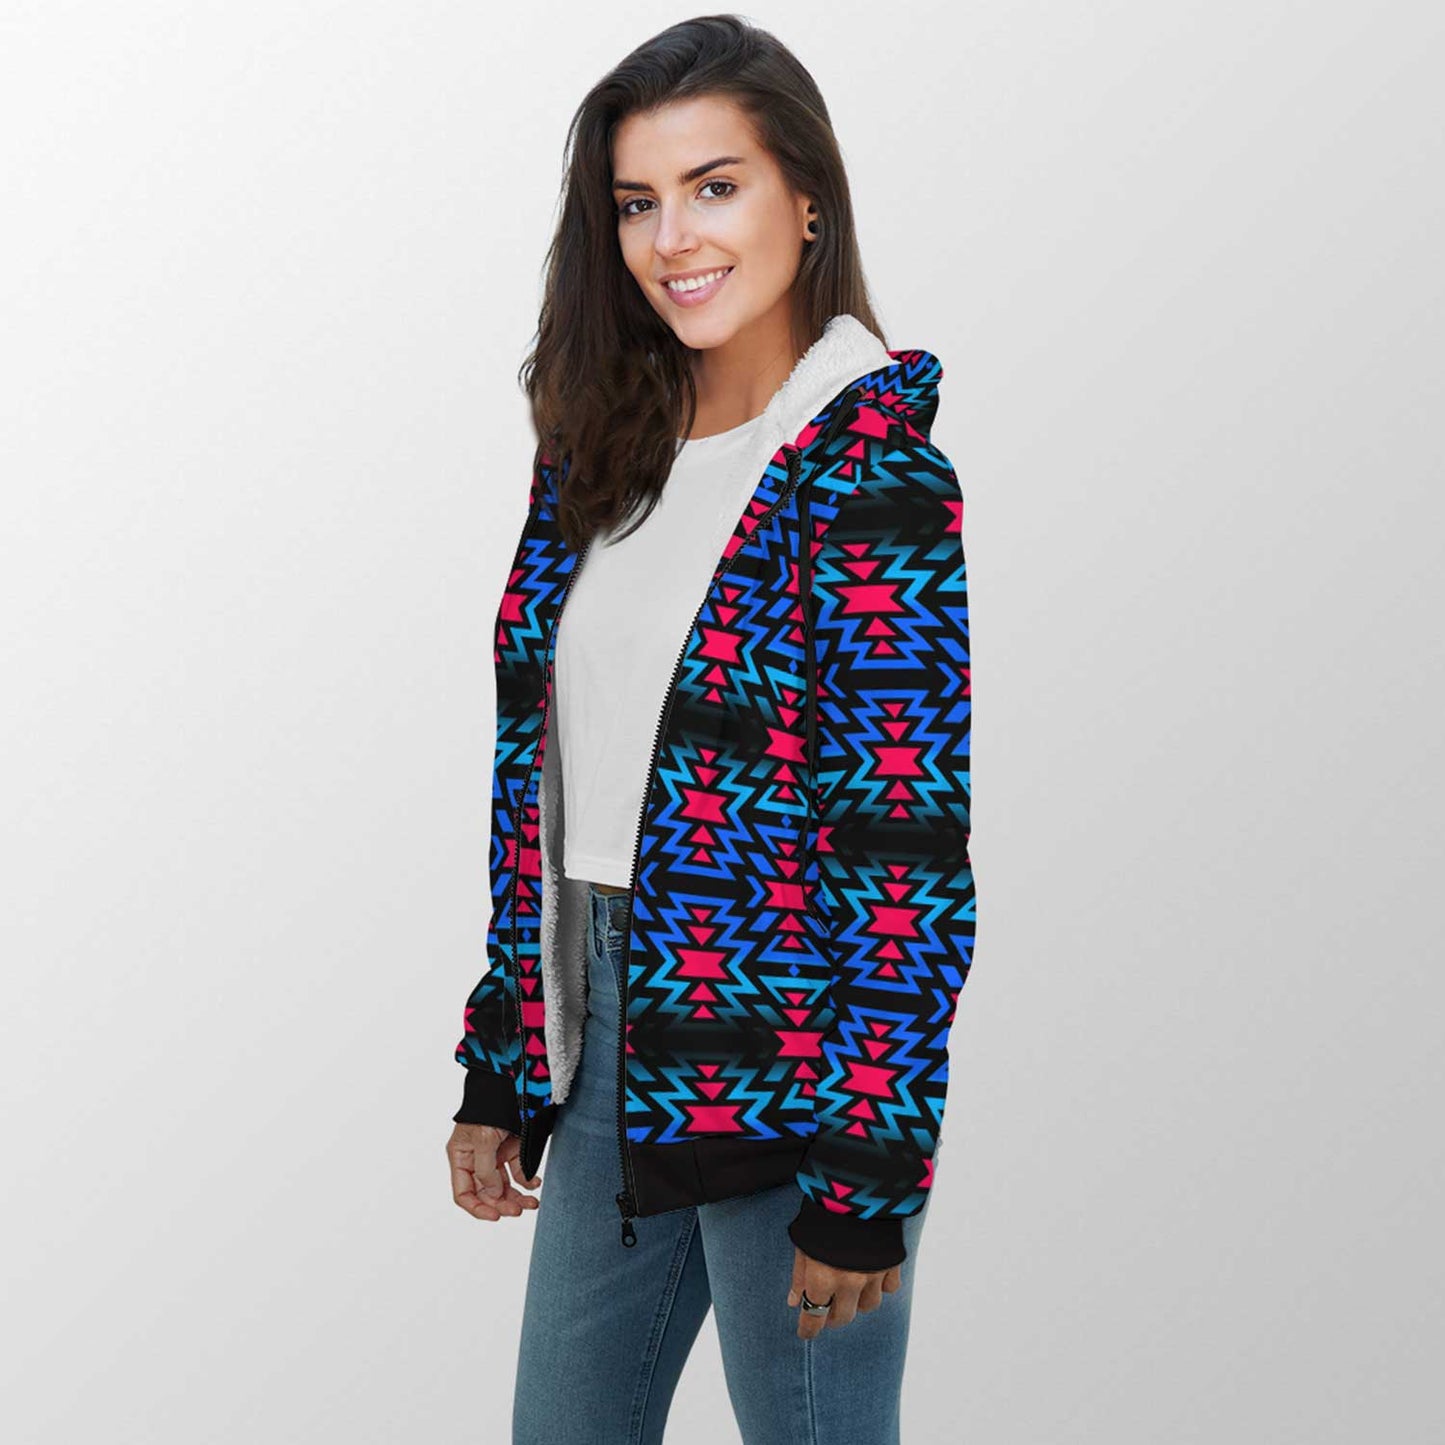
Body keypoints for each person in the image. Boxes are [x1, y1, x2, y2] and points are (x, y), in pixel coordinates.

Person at [444, 15, 976, 1442]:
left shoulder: (867, 472)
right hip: (602, 1035)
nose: (672, 237)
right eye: (637, 201)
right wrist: (503, 1051)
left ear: (807, 201)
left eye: (715, 186)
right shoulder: (599, 451)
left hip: (796, 1072)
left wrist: (868, 1175)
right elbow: (544, 784)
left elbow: (905, 849)